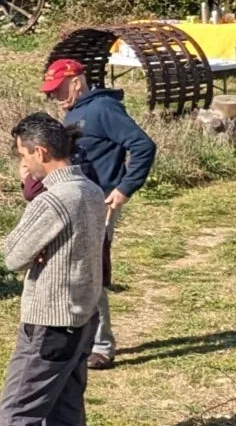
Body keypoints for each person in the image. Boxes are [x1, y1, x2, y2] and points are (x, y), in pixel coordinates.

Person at [0, 113, 108, 426]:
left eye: (24, 156)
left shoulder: (52, 201)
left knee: (16, 413)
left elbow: (13, 254)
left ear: (40, 151)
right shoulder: (90, 190)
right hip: (82, 317)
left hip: (48, 323)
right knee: (65, 414)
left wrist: (29, 197)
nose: (23, 164)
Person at [43, 57, 156, 368]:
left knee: (90, 270)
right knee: (79, 268)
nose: (55, 96)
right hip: (77, 201)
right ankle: (86, 338)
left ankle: (101, 346)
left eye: (59, 88)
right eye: (51, 91)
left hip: (100, 202)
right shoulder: (77, 111)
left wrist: (123, 189)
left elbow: (143, 146)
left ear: (77, 81)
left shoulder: (103, 109)